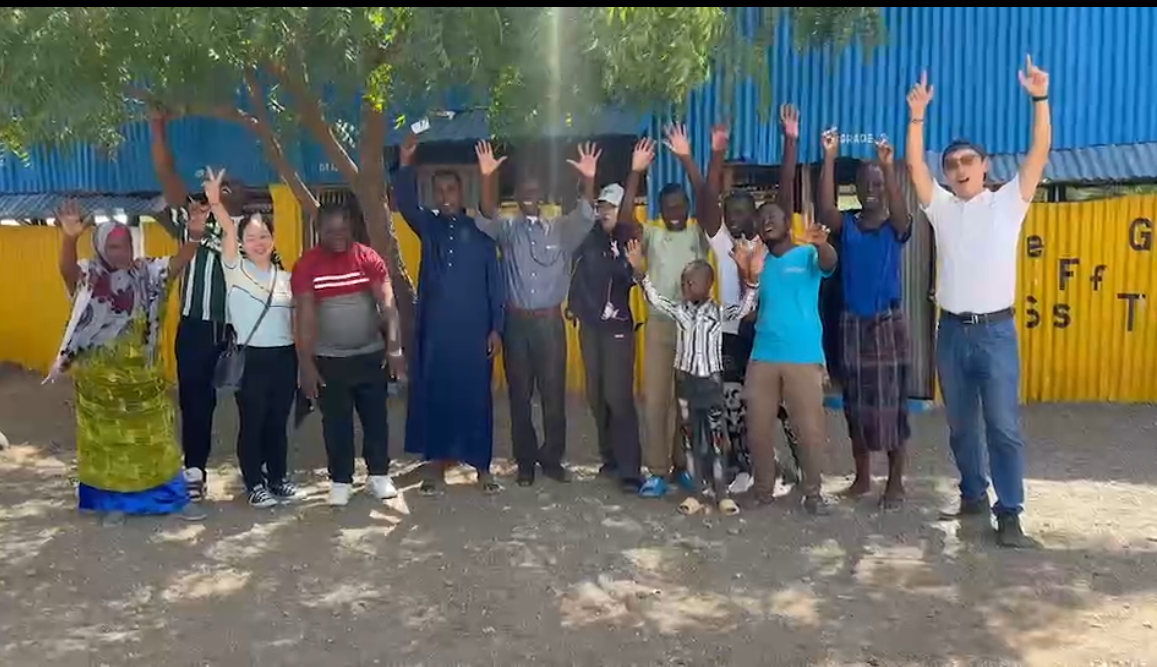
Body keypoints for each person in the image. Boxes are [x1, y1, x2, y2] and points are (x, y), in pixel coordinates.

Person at [905, 58, 1050, 548]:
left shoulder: (1007, 203)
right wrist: (917, 117)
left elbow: (1039, 151)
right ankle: (972, 494)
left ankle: (1009, 512)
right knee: (961, 426)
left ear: (985, 166)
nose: (960, 169)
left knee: (1003, 427)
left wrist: (1040, 99)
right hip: (951, 333)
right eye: (952, 164)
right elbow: (914, 166)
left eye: (968, 161)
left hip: (995, 334)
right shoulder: (942, 208)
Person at [148, 108, 281, 502]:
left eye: (233, 183)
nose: (225, 187)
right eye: (220, 183)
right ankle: (195, 470)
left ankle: (255, 474)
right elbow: (167, 175)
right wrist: (158, 128)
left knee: (253, 403)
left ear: (246, 193)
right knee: (195, 400)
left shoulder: (256, 233)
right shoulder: (196, 220)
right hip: (197, 326)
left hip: (243, 333)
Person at [48, 200, 208, 526]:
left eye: (127, 245)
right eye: (114, 246)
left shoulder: (148, 274)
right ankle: (115, 504)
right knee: (110, 446)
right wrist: (69, 238)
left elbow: (178, 263)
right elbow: (66, 271)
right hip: (100, 389)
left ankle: (173, 499)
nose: (123, 252)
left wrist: (194, 235)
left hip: (145, 384)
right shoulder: (89, 278)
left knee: (158, 443)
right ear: (100, 248)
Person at [474, 140, 601, 487]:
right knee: (519, 396)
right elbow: (485, 216)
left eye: (535, 191)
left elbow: (586, 214)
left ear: (542, 195)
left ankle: (552, 458)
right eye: (524, 191)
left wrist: (590, 179)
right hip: (517, 324)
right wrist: (487, 176)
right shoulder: (508, 230)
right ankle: (525, 462)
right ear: (516, 196)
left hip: (550, 324)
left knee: (553, 395)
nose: (530, 196)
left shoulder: (561, 229)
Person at [699, 106, 805, 492]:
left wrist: (790, 141)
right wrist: (716, 152)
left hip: (767, 335)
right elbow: (707, 200)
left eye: (742, 212)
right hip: (731, 336)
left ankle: (801, 467)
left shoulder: (766, 241)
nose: (735, 218)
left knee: (783, 407)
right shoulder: (722, 243)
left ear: (755, 215)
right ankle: (744, 467)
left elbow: (785, 194)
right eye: (730, 212)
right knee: (734, 407)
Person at [394, 133, 505, 496]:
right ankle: (435, 466)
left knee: (476, 399)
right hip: (437, 332)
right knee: (437, 396)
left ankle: (482, 467)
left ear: (462, 194)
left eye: (451, 190)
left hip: (474, 332)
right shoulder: (429, 226)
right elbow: (406, 203)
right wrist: (406, 163)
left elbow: (494, 282)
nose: (445, 197)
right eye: (439, 191)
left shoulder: (481, 231)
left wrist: (496, 328)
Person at [626, 237, 763, 516]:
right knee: (690, 440)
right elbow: (655, 299)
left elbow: (745, 309)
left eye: (690, 283)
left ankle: (721, 494)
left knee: (716, 440)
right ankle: (696, 494)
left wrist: (751, 280)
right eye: (683, 283)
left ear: (708, 285)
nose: (685, 287)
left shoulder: (719, 314)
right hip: (686, 386)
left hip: (711, 385)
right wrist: (641, 273)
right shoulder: (679, 311)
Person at [817, 130, 913, 510]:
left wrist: (888, 167)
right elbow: (825, 212)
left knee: (891, 406)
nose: (871, 190)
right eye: (864, 184)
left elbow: (903, 215)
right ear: (854, 189)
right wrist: (829, 157)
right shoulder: (849, 226)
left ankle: (895, 482)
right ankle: (861, 478)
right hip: (853, 324)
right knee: (855, 404)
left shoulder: (895, 226)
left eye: (877, 184)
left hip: (887, 324)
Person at [617, 127, 713, 498]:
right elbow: (625, 221)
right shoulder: (652, 235)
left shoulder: (698, 234)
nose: (675, 212)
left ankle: (682, 466)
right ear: (659, 209)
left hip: (693, 328)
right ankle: (657, 471)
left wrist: (687, 159)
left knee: (687, 402)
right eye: (668, 207)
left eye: (680, 206)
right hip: (659, 326)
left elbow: (708, 200)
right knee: (656, 401)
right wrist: (635, 171)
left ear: (687, 206)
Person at [291, 203, 405, 507]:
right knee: (336, 423)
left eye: (343, 229)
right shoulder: (307, 265)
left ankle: (378, 475)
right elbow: (303, 316)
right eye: (331, 231)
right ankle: (341, 479)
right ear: (319, 231)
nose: (338, 236)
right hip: (329, 360)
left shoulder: (368, 258)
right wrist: (305, 363)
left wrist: (394, 347)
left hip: (370, 355)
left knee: (376, 419)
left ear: (352, 228)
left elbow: (388, 304)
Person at [205, 168, 299, 508]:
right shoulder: (236, 270)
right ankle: (254, 484)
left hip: (285, 357)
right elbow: (228, 229)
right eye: (252, 237)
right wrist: (215, 203)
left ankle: (278, 478)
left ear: (273, 239)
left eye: (264, 236)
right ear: (242, 243)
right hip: (252, 358)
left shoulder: (285, 277)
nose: (259, 242)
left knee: (278, 421)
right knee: (253, 422)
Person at [745, 203, 838, 515]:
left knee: (809, 430)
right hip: (763, 355)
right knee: (757, 428)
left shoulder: (807, 254)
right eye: (761, 219)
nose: (767, 221)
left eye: (773, 216)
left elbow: (829, 263)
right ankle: (763, 491)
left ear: (788, 222)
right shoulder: (759, 262)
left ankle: (813, 493)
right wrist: (748, 273)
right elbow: (749, 306)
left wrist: (822, 244)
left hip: (803, 355)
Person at [567, 182, 644, 493]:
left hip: (618, 330)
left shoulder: (630, 239)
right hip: (590, 328)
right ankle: (609, 458)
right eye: (602, 206)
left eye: (611, 207)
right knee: (596, 395)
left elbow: (632, 279)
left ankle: (630, 470)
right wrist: (574, 304)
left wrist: (634, 267)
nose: (605, 212)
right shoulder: (589, 237)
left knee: (618, 396)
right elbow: (576, 270)